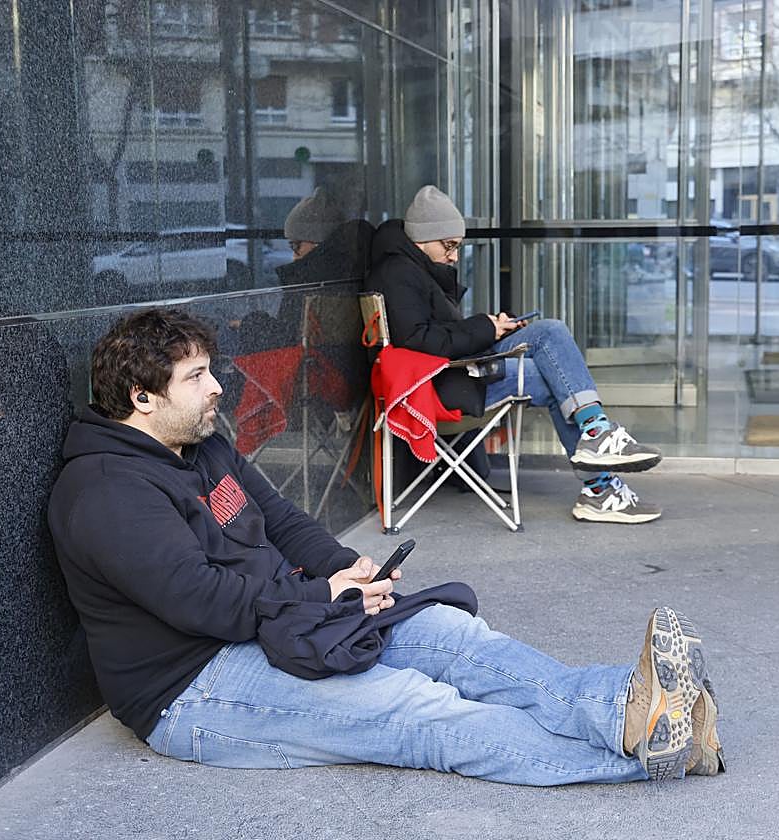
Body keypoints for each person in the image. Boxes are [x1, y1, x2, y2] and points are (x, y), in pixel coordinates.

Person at [47, 308, 724, 786]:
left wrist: (347, 568)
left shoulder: (201, 445)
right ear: (141, 397)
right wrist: (320, 594)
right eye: (195, 377)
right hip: (194, 685)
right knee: (415, 710)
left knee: (451, 635)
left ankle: (623, 708)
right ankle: (659, 749)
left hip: (279, 621)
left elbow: (281, 520)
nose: (217, 386)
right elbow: (200, 602)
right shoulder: (107, 490)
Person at [365, 185, 666, 524]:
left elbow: (432, 334)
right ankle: (598, 477)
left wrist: (490, 326)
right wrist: (484, 329)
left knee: (549, 332)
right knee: (553, 372)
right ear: (422, 239)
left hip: (456, 369)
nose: (453, 256)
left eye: (457, 248)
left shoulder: (410, 267)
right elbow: (419, 341)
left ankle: (597, 442)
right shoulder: (397, 273)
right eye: (448, 246)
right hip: (442, 385)